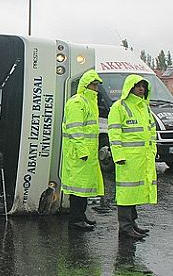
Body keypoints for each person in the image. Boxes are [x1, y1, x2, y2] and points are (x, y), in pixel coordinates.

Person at [107, 75, 157, 240]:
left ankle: (132, 224)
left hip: (142, 158)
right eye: (137, 86)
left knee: (135, 192)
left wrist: (153, 151)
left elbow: (151, 132)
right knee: (126, 193)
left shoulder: (145, 107)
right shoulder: (119, 107)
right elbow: (114, 133)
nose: (141, 89)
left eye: (143, 86)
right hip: (127, 159)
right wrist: (118, 155)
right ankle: (125, 227)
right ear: (130, 88)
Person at [61, 69, 104, 230]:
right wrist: (82, 151)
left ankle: (81, 216)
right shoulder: (77, 102)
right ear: (86, 85)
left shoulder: (89, 102)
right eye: (94, 84)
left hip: (86, 154)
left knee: (84, 188)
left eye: (97, 85)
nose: (96, 88)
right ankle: (75, 219)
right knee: (77, 189)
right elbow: (74, 129)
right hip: (79, 154)